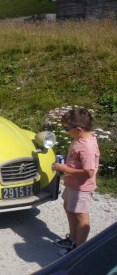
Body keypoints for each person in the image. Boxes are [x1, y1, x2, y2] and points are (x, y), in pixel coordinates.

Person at [52, 107, 100, 256]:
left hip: (82, 188)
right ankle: (73, 238)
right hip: (73, 184)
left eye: (67, 128)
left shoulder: (87, 147)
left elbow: (89, 172)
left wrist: (65, 168)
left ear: (78, 129)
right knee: (68, 207)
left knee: (81, 216)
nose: (66, 131)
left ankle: (79, 250)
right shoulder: (80, 139)